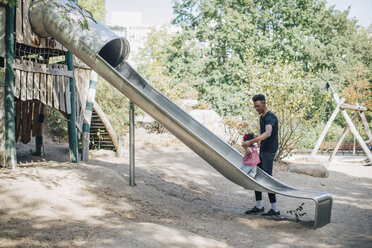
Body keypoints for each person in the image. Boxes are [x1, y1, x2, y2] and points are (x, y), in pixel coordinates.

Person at [243, 94, 280, 216]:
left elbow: (268, 132)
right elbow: (262, 131)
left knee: (267, 178)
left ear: (264, 103)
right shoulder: (262, 117)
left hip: (269, 150)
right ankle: (259, 206)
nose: (256, 109)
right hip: (263, 149)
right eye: (254, 107)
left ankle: (275, 209)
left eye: (258, 106)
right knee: (256, 175)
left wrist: (251, 141)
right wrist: (258, 141)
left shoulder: (270, 117)